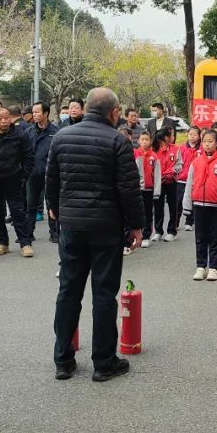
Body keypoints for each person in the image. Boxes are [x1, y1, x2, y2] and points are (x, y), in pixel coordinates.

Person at [46, 87, 144, 382]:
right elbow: (129, 189)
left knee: (68, 291)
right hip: (105, 227)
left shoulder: (61, 137)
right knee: (103, 294)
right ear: (114, 112)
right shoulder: (117, 140)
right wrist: (137, 226)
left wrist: (56, 210)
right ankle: (104, 362)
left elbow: (51, 180)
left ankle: (63, 360)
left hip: (72, 226)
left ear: (87, 108)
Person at [182, 129, 217, 281]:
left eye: (210, 141)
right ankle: (200, 266)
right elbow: (189, 184)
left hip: (215, 206)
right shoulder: (196, 162)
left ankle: (213, 268)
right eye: (204, 142)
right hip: (198, 204)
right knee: (200, 237)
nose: (207, 144)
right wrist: (187, 204)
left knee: (215, 237)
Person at [0, 106, 34, 257]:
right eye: (0, 118)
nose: (4, 121)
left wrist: (23, 175)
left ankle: (25, 243)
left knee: (17, 211)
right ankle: (2, 243)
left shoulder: (20, 135)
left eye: (6, 118)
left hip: (13, 179)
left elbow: (29, 157)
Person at [25, 101, 59, 244]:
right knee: (30, 205)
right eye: (33, 112)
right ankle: (28, 233)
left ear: (46, 113)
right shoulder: (29, 132)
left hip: (50, 175)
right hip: (32, 175)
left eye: (37, 112)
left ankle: (55, 233)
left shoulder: (56, 132)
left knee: (52, 204)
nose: (34, 115)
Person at [151, 127, 181, 241]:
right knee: (158, 207)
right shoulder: (154, 149)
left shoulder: (176, 149)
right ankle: (158, 231)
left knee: (173, 206)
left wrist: (169, 173)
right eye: (172, 135)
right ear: (166, 137)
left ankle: (172, 231)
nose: (174, 137)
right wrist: (159, 176)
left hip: (172, 182)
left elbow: (179, 165)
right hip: (158, 183)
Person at [134, 131, 161, 248]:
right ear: (138, 141)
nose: (144, 142)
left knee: (148, 213)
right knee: (136, 213)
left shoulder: (154, 156)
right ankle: (136, 236)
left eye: (147, 139)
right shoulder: (135, 154)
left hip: (149, 189)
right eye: (142, 139)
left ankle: (146, 236)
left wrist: (157, 191)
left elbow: (157, 174)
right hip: (137, 189)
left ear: (150, 141)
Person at [178, 126, 201, 232]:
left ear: (199, 136)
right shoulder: (182, 148)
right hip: (182, 179)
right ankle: (176, 222)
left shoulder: (201, 149)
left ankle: (189, 221)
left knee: (192, 200)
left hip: (195, 179)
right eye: (190, 134)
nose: (192, 136)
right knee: (178, 201)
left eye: (195, 134)